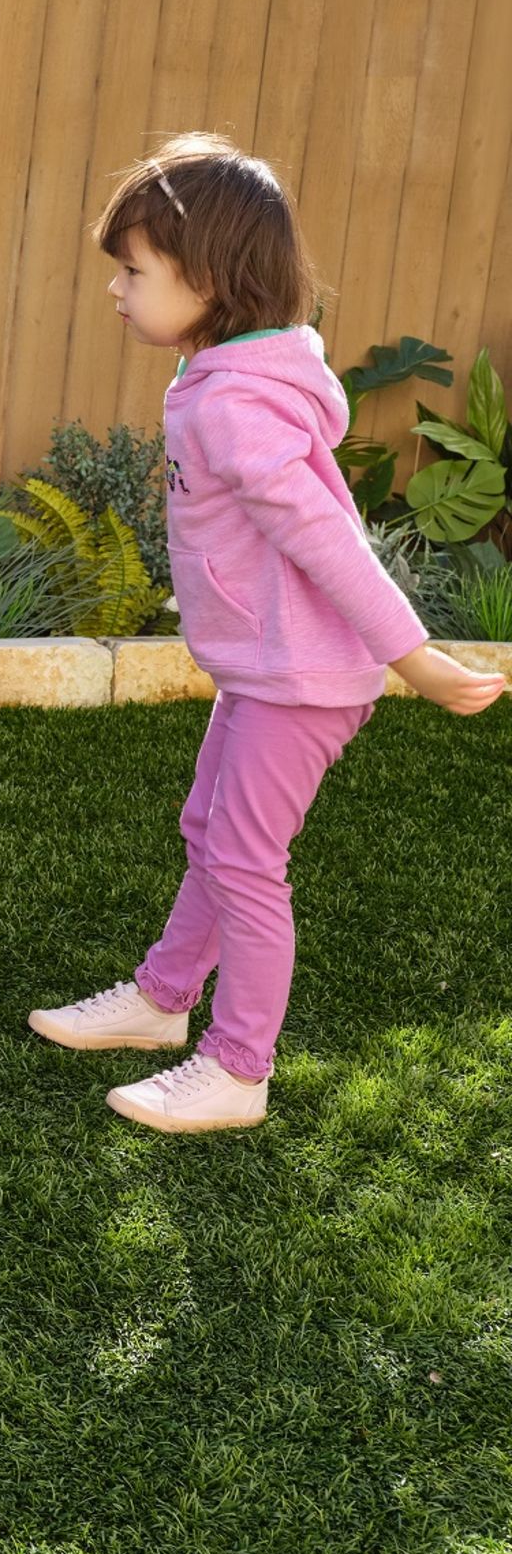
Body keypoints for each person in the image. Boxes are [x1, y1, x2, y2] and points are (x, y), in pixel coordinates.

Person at [29, 134, 504, 1133]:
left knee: (244, 862)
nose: (115, 289)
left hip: (303, 679)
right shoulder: (223, 374)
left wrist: (410, 653)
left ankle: (237, 1067)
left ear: (205, 278)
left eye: (132, 270)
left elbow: (329, 542)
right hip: (268, 667)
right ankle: (161, 1002)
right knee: (209, 832)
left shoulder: (235, 409)